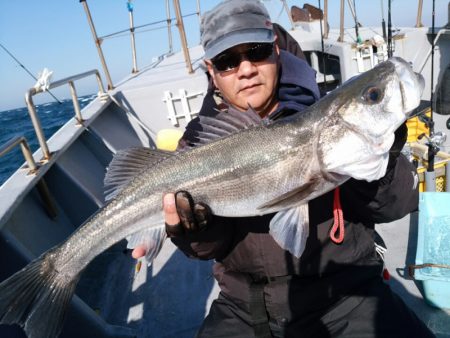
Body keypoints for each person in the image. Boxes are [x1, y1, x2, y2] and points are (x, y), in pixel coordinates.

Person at [133, 0, 434, 337]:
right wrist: (195, 232)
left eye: (257, 51)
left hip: (347, 291)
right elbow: (210, 249)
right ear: (211, 69)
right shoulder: (199, 141)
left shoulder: (322, 107)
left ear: (276, 49)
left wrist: (386, 157)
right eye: (227, 61)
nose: (245, 69)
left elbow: (397, 205)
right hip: (244, 304)